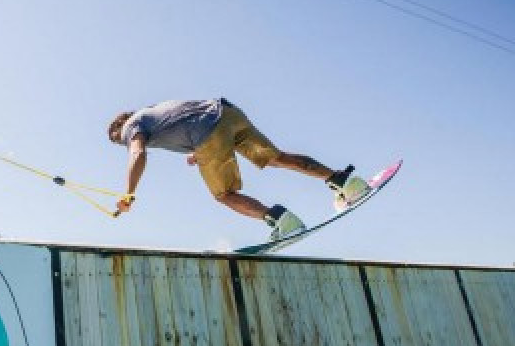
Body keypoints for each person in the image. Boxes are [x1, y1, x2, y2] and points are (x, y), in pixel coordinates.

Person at [107, 97, 362, 241]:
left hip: (207, 133)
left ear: (120, 127)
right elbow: (184, 120)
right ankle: (344, 182)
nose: (124, 143)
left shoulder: (130, 126)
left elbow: (138, 153)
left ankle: (282, 221)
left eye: (119, 141)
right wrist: (199, 152)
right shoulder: (151, 111)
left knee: (224, 194)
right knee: (276, 158)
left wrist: (128, 194)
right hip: (227, 114)